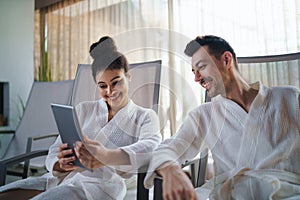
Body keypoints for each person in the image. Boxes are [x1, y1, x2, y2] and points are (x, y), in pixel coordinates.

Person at [0, 36, 161, 200]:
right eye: (103, 86)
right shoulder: (84, 110)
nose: (110, 91)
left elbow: (151, 148)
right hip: (60, 180)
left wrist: (104, 156)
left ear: (128, 77)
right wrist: (60, 163)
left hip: (100, 188)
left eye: (116, 82)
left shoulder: (145, 117)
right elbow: (55, 150)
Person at [144, 35, 300, 200]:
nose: (197, 79)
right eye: (193, 72)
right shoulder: (204, 115)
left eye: (202, 67)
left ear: (226, 60)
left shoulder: (289, 97)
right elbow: (167, 149)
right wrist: (171, 170)